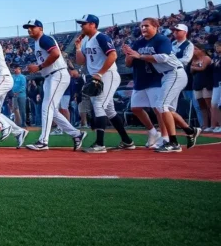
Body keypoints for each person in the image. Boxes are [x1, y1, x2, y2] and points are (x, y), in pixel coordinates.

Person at [122, 18, 201, 152]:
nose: (143, 28)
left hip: (174, 72)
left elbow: (164, 57)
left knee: (161, 106)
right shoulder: (139, 42)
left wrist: (139, 56)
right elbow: (130, 62)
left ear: (156, 27)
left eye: (146, 26)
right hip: (167, 75)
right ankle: (190, 130)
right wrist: (130, 54)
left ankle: (173, 143)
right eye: (141, 26)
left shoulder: (162, 39)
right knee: (167, 109)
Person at [75, 15, 135, 153]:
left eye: (84, 24)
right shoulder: (86, 42)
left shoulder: (101, 37)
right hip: (98, 76)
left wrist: (100, 74)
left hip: (107, 74)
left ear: (92, 24)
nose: (81, 26)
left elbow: (113, 55)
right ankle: (127, 141)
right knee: (109, 110)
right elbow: (80, 62)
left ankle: (100, 144)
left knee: (98, 105)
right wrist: (78, 48)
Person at [23, 20, 86, 151]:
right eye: (28, 28)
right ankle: (76, 134)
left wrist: (39, 66)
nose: (29, 29)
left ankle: (43, 141)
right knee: (53, 110)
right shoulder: (37, 42)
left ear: (40, 28)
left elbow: (56, 54)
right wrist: (37, 68)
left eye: (32, 27)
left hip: (57, 74)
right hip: (50, 76)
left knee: (47, 107)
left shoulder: (44, 39)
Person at [190, 44, 213, 135]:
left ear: (201, 50)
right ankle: (205, 125)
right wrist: (195, 67)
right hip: (197, 84)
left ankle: (213, 124)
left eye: (196, 49)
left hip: (206, 84)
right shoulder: (194, 59)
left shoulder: (206, 58)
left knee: (209, 105)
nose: (194, 51)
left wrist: (194, 67)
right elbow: (191, 71)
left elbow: (202, 68)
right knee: (201, 106)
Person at [209, 42, 221, 133]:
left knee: (220, 105)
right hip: (216, 82)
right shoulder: (215, 57)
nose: (217, 48)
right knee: (214, 104)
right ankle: (219, 124)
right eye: (216, 46)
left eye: (219, 46)